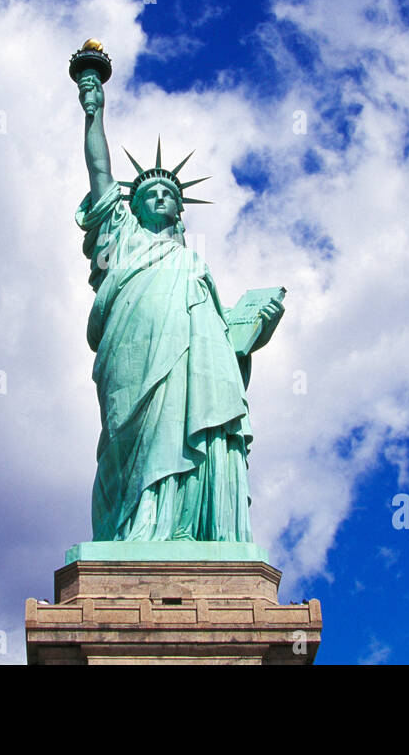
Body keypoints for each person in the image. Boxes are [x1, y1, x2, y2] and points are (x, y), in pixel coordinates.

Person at [74, 68, 283, 542]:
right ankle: (137, 528)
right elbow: (100, 173)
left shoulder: (194, 264)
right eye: (150, 193)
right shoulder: (122, 239)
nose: (161, 197)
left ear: (179, 208)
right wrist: (94, 112)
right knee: (136, 441)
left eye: (169, 193)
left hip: (193, 367)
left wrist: (251, 335)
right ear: (136, 205)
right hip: (132, 358)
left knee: (190, 424)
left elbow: (222, 343)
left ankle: (183, 527)